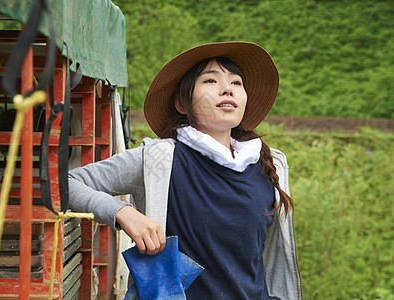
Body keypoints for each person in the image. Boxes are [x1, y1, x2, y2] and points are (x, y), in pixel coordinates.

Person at [68, 42, 302, 299]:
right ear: (182, 102)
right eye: (211, 81)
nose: (227, 89)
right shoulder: (159, 160)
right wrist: (122, 212)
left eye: (236, 83)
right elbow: (67, 183)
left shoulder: (269, 165)